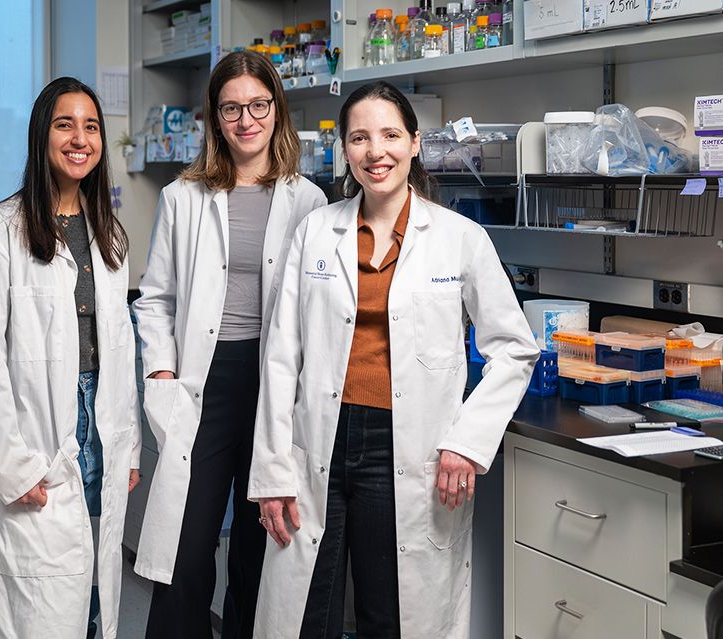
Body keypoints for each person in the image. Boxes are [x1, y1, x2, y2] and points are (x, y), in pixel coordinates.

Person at [247, 81, 540, 638]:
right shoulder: (316, 231)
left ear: (414, 143)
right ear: (345, 149)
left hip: (406, 446)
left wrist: (467, 442)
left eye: (389, 135)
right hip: (319, 439)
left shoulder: (459, 238)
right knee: (307, 608)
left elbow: (514, 348)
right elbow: (282, 355)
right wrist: (271, 469)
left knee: (391, 614)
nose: (375, 151)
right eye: (359, 138)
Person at [132, 50, 327, 639]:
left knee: (259, 544)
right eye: (232, 108)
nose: (247, 120)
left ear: (277, 109)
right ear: (215, 118)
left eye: (258, 105)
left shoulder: (309, 201)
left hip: (275, 386)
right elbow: (155, 297)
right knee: (186, 547)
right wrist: (161, 373)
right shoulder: (183, 196)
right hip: (204, 383)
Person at [0, 76, 141, 639]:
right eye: (64, 125)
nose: (80, 138)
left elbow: (117, 349)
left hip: (98, 424)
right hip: (34, 432)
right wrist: (9, 466)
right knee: (37, 600)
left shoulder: (110, 236)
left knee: (92, 582)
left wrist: (126, 445)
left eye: (91, 126)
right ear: (41, 135)